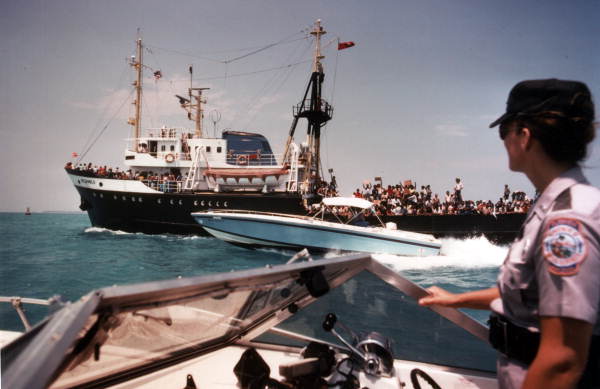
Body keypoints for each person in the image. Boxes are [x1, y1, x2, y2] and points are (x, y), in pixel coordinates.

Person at [419, 79, 599, 388]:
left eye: (505, 131)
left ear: (524, 136)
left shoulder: (568, 221)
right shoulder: (551, 206)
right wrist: (457, 299)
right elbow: (532, 296)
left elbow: (562, 361)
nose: (502, 141)